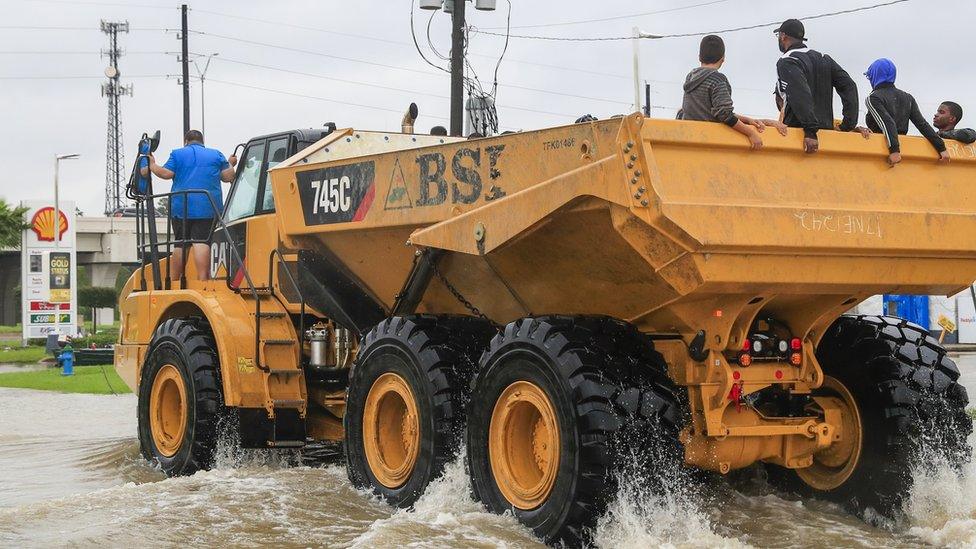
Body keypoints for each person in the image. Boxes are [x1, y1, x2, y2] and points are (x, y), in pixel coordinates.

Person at [142, 130, 237, 281]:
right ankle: (203, 279)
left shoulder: (177, 154)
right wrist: (230, 164)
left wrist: (152, 165)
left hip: (181, 207)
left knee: (180, 244)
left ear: (186, 141)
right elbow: (228, 176)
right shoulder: (216, 155)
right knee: (201, 242)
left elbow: (166, 174)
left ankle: (173, 280)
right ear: (202, 141)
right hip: (208, 206)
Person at [680, 35, 786, 150]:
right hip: (710, 142)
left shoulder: (691, 77)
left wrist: (747, 120)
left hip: (690, 139)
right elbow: (725, 115)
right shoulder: (717, 79)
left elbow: (715, 111)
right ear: (723, 58)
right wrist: (751, 133)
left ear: (700, 57)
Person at [774, 19, 860, 153]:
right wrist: (847, 125)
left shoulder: (787, 61)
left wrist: (810, 131)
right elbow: (849, 86)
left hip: (799, 137)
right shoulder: (824, 59)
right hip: (828, 137)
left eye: (778, 35)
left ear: (783, 36)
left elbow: (799, 93)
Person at [863, 58, 949, 167]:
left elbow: (887, 123)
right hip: (905, 148)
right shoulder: (907, 97)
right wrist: (941, 148)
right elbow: (922, 124)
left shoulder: (873, 98)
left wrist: (894, 150)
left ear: (874, 76)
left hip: (883, 150)